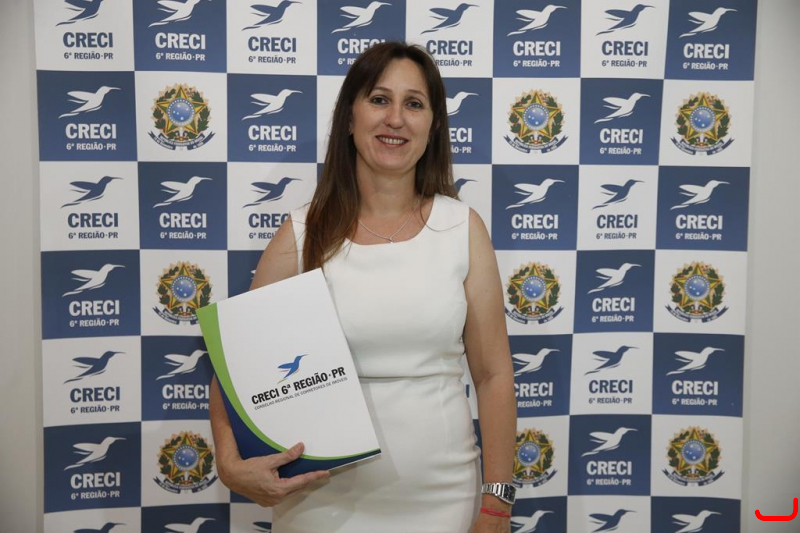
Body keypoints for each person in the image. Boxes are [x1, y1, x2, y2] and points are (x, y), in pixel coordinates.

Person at [209, 41, 516, 533]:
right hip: (318, 505)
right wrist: (229, 464)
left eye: (414, 104)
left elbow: (494, 375)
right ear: (349, 118)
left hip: (444, 499)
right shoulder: (301, 234)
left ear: (433, 125)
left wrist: (498, 503)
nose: (395, 118)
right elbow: (236, 368)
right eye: (379, 99)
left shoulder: (463, 228)